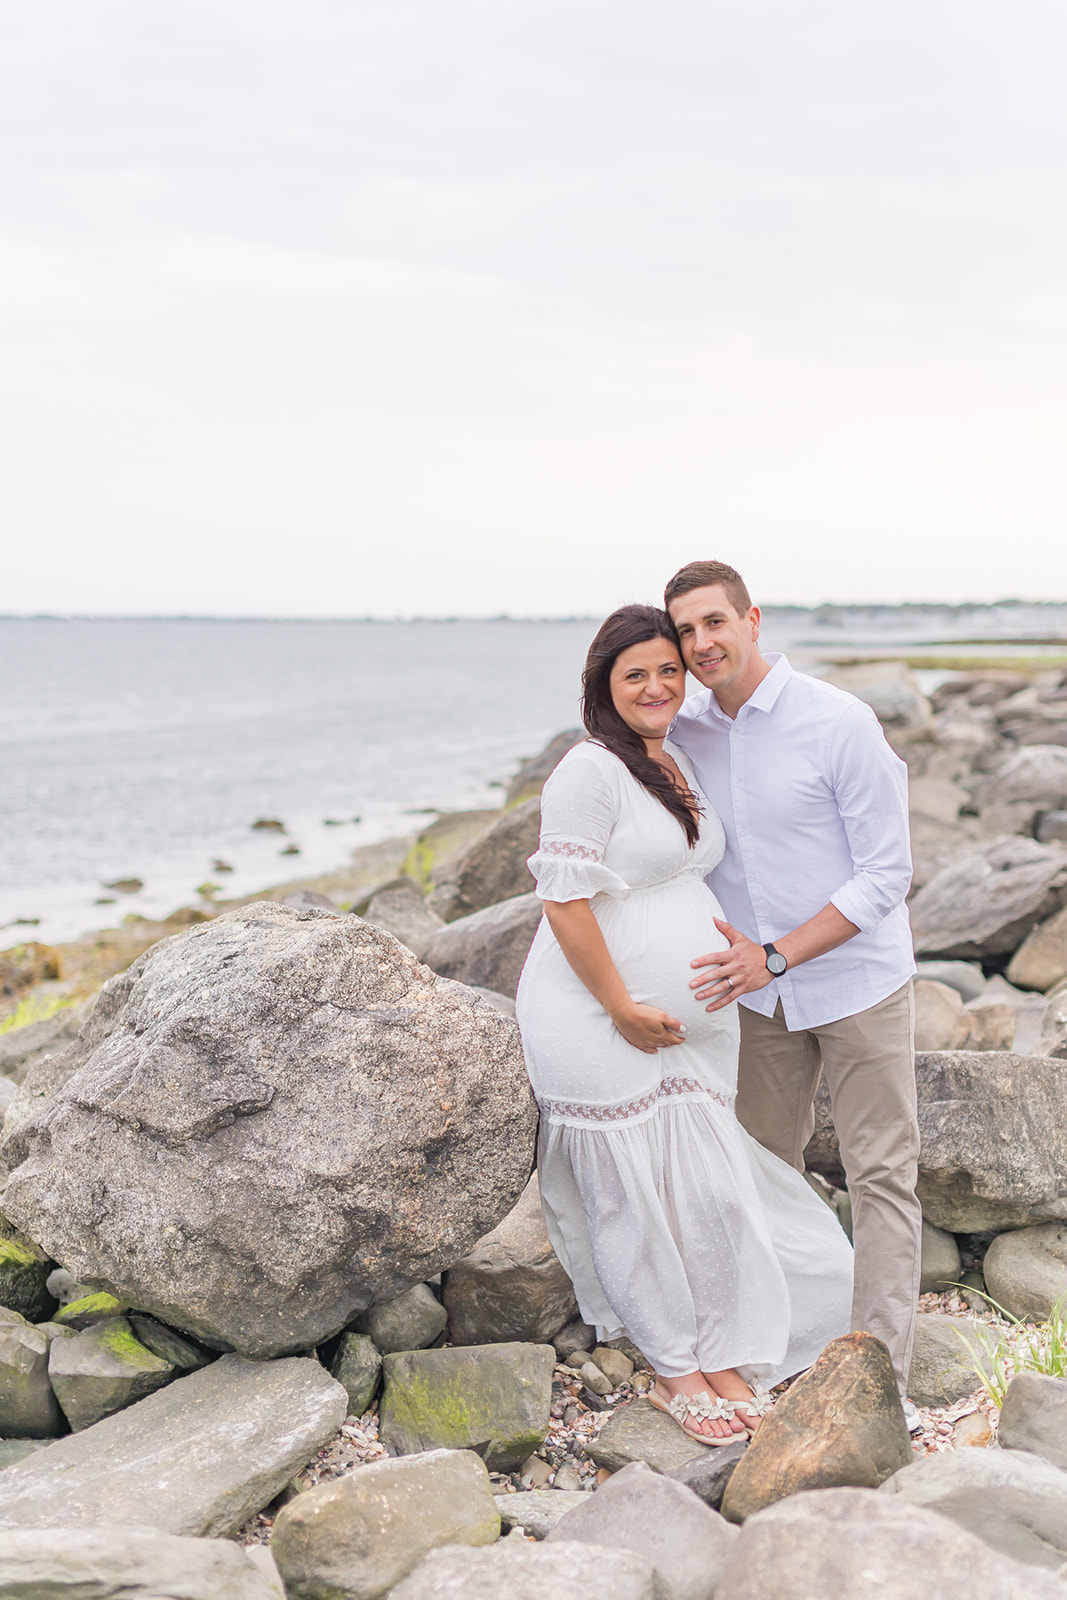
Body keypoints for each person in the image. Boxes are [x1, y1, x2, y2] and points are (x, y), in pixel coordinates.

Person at [515, 604, 854, 1446]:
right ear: (603, 685)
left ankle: (723, 1348)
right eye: (636, 674)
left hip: (691, 1020)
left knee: (700, 1190)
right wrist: (621, 1007)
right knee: (630, 1197)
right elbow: (563, 901)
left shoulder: (669, 761)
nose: (659, 685)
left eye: (669, 669)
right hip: (595, 1018)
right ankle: (675, 1367)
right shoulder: (588, 771)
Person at [664, 559, 922, 1420]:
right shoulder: (687, 732)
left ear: (751, 620)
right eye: (686, 631)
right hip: (755, 999)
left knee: (880, 1172)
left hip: (855, 985)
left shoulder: (838, 723)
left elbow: (887, 874)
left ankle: (878, 1373)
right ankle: (771, 1344)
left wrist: (777, 954)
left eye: (714, 623)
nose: (701, 643)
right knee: (757, 1171)